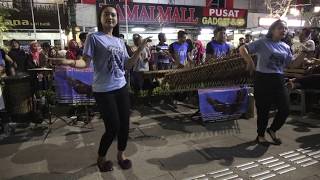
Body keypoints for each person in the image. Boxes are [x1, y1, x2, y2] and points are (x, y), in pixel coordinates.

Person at [53, 5, 151, 172]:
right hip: (103, 90)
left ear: (117, 19)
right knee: (112, 126)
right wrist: (70, 62)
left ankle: (121, 154)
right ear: (101, 18)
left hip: (121, 87)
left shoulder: (120, 41)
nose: (110, 17)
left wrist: (140, 49)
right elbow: (85, 62)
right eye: (106, 14)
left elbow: (127, 65)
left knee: (124, 126)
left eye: (113, 15)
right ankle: (101, 157)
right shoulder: (94, 37)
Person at [239, 20, 307, 146]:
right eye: (280, 28)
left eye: (285, 28)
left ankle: (272, 129)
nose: (284, 30)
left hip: (279, 79)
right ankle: (260, 135)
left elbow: (291, 64)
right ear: (273, 30)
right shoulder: (262, 42)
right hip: (263, 79)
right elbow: (243, 49)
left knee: (285, 109)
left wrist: (304, 52)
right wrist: (249, 61)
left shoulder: (286, 47)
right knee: (263, 109)